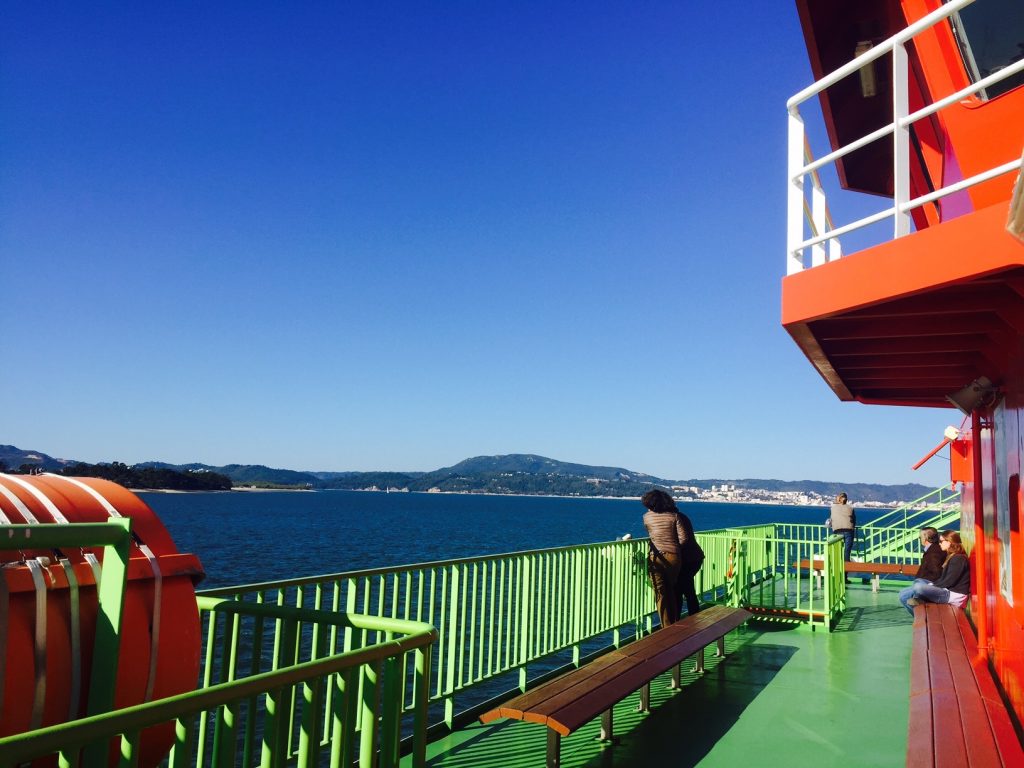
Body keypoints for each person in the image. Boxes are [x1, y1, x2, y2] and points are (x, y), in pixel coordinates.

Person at [641, 489, 686, 629]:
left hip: (655, 558)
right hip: (674, 557)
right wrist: (675, 548)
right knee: (671, 589)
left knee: (660, 593)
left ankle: (666, 626)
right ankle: (675, 622)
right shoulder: (674, 516)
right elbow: (683, 539)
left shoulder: (646, 517)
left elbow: (651, 533)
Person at [903, 530, 970, 615]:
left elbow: (949, 581)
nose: (939, 544)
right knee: (919, 581)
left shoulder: (959, 559)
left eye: (941, 541)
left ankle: (921, 602)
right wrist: (931, 586)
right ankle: (921, 600)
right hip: (947, 591)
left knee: (918, 587)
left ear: (949, 542)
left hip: (953, 596)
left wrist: (932, 586)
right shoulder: (952, 556)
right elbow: (944, 579)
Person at [898, 527, 944, 613]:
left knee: (903, 596)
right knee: (903, 593)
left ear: (926, 538)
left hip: (927, 583)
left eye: (920, 537)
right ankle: (921, 618)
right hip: (925, 582)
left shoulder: (933, 552)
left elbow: (937, 573)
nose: (919, 539)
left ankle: (921, 619)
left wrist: (924, 582)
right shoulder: (934, 548)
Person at [674, 504, 705, 617]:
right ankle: (694, 615)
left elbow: (684, 539)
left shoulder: (676, 517)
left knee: (679, 589)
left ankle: (677, 619)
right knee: (688, 588)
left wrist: (672, 550)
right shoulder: (681, 516)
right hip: (694, 557)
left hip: (688, 559)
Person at [828, 492, 857, 563]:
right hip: (849, 531)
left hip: (837, 531)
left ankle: (837, 565)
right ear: (846, 500)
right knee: (847, 551)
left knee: (838, 550)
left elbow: (831, 519)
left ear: (838, 499)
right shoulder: (850, 508)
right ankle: (846, 570)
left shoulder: (832, 508)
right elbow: (854, 520)